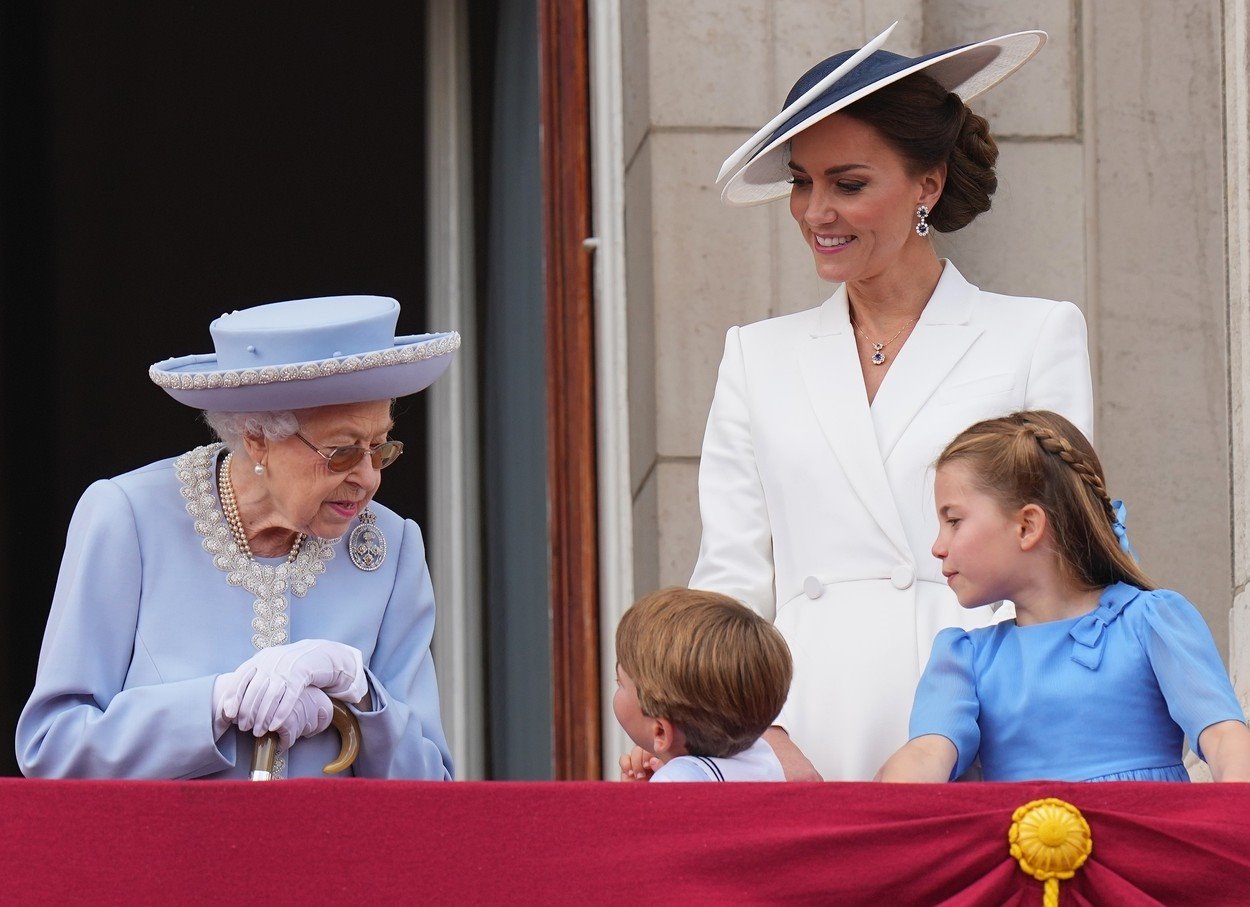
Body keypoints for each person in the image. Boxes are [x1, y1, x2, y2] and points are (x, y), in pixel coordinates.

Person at [690, 26, 1094, 781]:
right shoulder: (755, 355)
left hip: (986, 729)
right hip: (803, 731)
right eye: (801, 182)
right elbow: (729, 582)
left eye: (847, 184)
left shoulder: (1035, 335)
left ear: (927, 186)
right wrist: (760, 741)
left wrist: (982, 734)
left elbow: (1059, 564)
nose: (816, 211)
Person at [16, 296, 460, 780]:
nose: (369, 479)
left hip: (327, 853)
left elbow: (430, 781)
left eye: (380, 448)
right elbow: (53, 748)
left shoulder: (392, 545)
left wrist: (361, 694)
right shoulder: (128, 518)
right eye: (342, 453)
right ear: (257, 438)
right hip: (168, 853)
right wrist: (213, 704)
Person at [876, 410, 1250, 783]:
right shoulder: (963, 659)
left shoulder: (1152, 621)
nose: (937, 548)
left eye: (953, 521)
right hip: (1021, 840)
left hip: (1145, 839)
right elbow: (927, 753)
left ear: (1027, 526)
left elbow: (1224, 737)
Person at [614, 588, 791, 782]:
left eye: (620, 682)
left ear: (660, 731)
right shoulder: (762, 756)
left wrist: (636, 804)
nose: (616, 685)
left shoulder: (673, 786)